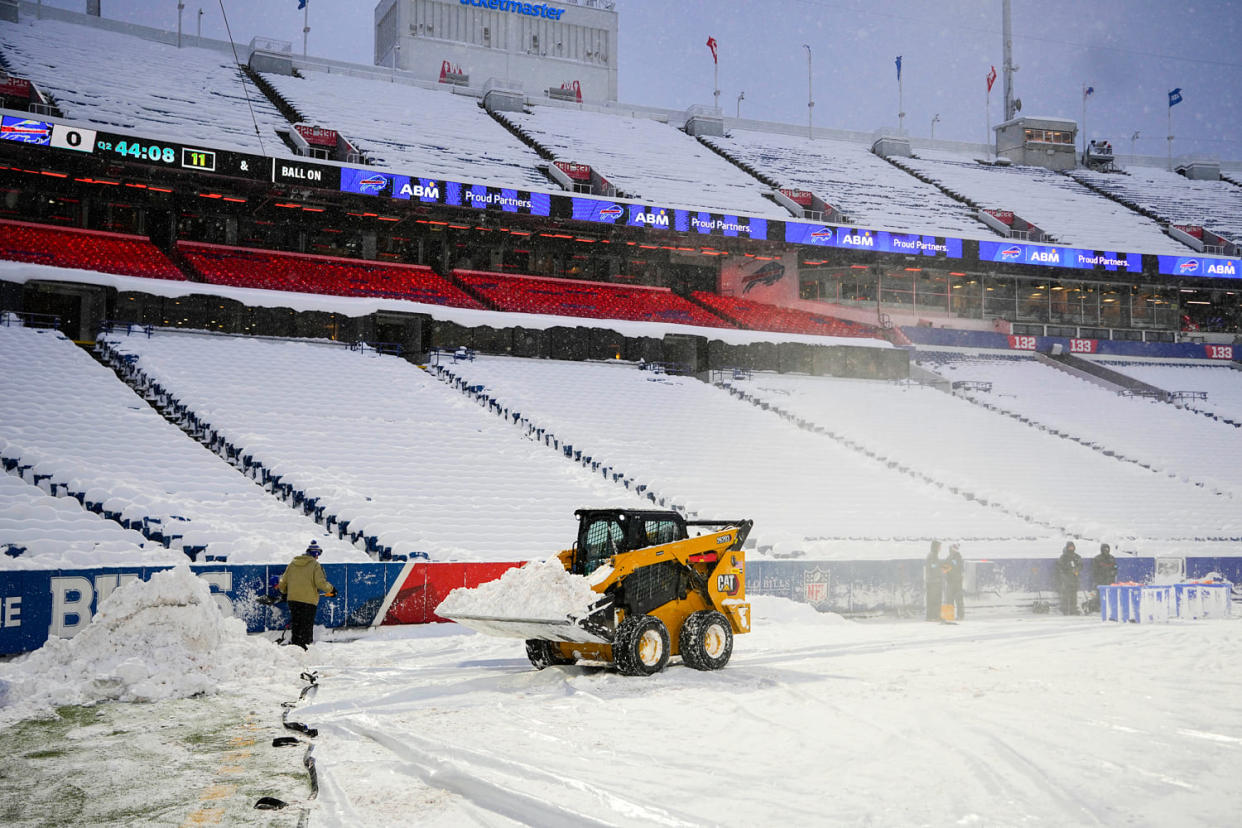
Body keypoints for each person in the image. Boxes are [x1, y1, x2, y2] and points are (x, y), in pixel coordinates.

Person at [278, 540, 335, 649]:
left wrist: (285, 593)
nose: (317, 558)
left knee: (296, 625)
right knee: (306, 627)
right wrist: (331, 589)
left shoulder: (292, 564)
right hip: (308, 602)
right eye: (317, 555)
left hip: (293, 600)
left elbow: (283, 583)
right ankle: (306, 649)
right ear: (315, 554)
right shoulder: (315, 565)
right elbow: (320, 583)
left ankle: (295, 647)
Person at [1087, 543, 1119, 613]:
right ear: (1102, 549)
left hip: (1110, 581)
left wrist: (1113, 572)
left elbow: (1115, 567)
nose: (1106, 550)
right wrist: (1100, 576)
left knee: (1110, 595)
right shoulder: (1097, 559)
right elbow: (1094, 570)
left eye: (1107, 549)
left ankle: (1109, 607)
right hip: (1100, 581)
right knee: (1099, 595)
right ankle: (1098, 608)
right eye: (1105, 549)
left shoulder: (1112, 558)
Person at [1055, 541, 1082, 615]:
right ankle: (1065, 609)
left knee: (1074, 595)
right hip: (1066, 579)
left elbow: (1080, 565)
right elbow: (1060, 567)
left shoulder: (1076, 556)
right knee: (1065, 595)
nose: (1071, 548)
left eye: (1072, 547)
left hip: (1074, 579)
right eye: (1070, 547)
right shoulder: (1063, 557)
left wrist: (1076, 569)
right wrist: (1068, 570)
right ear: (1067, 547)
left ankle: (1073, 609)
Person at [942, 543, 965, 621]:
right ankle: (949, 616)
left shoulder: (958, 557)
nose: (951, 550)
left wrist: (949, 568)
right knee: (949, 599)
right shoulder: (948, 558)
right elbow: (944, 568)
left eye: (952, 549)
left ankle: (960, 616)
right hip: (950, 582)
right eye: (951, 549)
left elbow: (958, 568)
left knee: (958, 600)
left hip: (957, 582)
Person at [925, 540, 943, 621]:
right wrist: (941, 571)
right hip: (934, 581)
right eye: (939, 546)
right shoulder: (933, 556)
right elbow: (934, 567)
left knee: (932, 599)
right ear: (936, 547)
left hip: (932, 581)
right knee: (935, 599)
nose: (940, 548)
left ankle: (931, 616)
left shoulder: (932, 555)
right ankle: (935, 616)